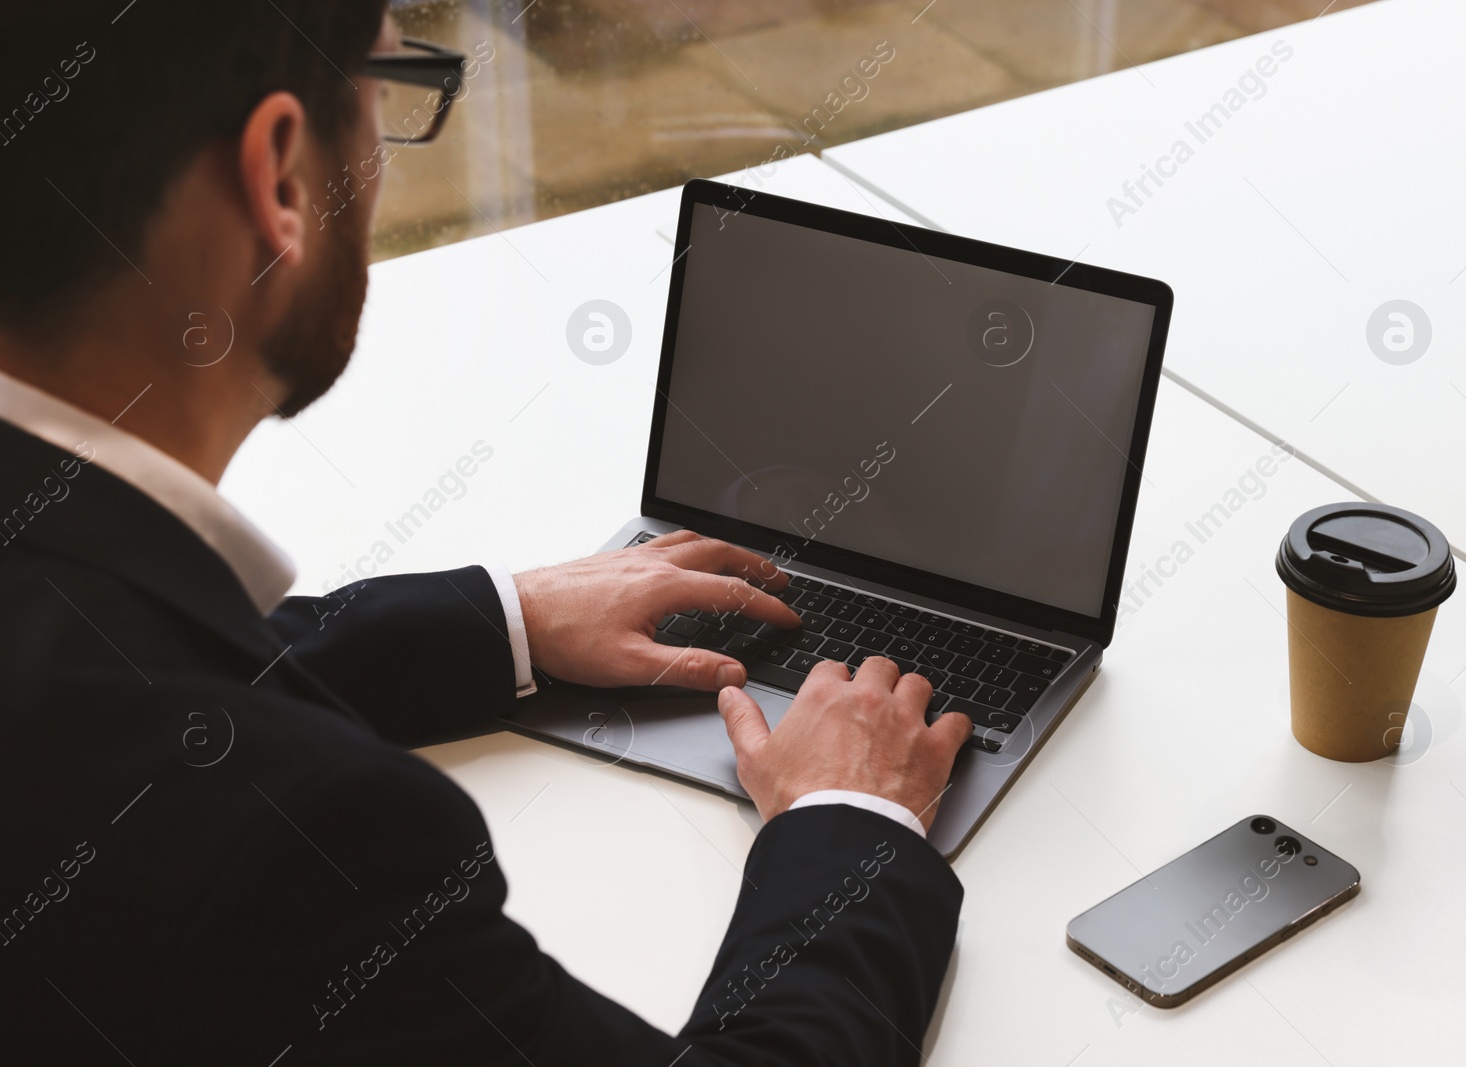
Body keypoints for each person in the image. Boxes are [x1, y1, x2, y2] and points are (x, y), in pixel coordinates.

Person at [0, 3, 973, 1063]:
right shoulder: (306, 845)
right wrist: (849, 821)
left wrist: (501, 621)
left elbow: (92, 676)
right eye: (387, 86)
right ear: (281, 174)